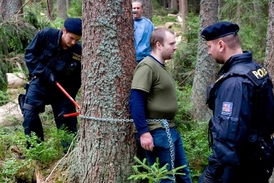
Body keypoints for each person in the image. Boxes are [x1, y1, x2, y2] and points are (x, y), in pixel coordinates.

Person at [198, 21, 274, 183]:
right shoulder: (256, 69)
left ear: (221, 45)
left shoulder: (235, 83)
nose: (209, 52)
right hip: (259, 158)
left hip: (241, 167)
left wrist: (211, 174)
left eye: (209, 46)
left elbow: (228, 136)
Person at [129, 27, 192, 183]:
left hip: (169, 129)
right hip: (157, 131)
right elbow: (136, 100)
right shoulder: (147, 67)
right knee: (166, 179)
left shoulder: (160, 67)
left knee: (183, 175)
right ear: (158, 45)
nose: (175, 47)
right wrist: (144, 132)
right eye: (171, 44)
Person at [20, 18, 82, 151]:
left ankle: (70, 153)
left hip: (63, 89)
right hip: (41, 82)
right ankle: (35, 150)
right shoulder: (46, 35)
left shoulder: (78, 51)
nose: (73, 42)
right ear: (64, 31)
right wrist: (45, 73)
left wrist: (68, 101)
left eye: (77, 40)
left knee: (66, 118)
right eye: (71, 38)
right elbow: (30, 55)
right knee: (29, 112)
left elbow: (76, 79)